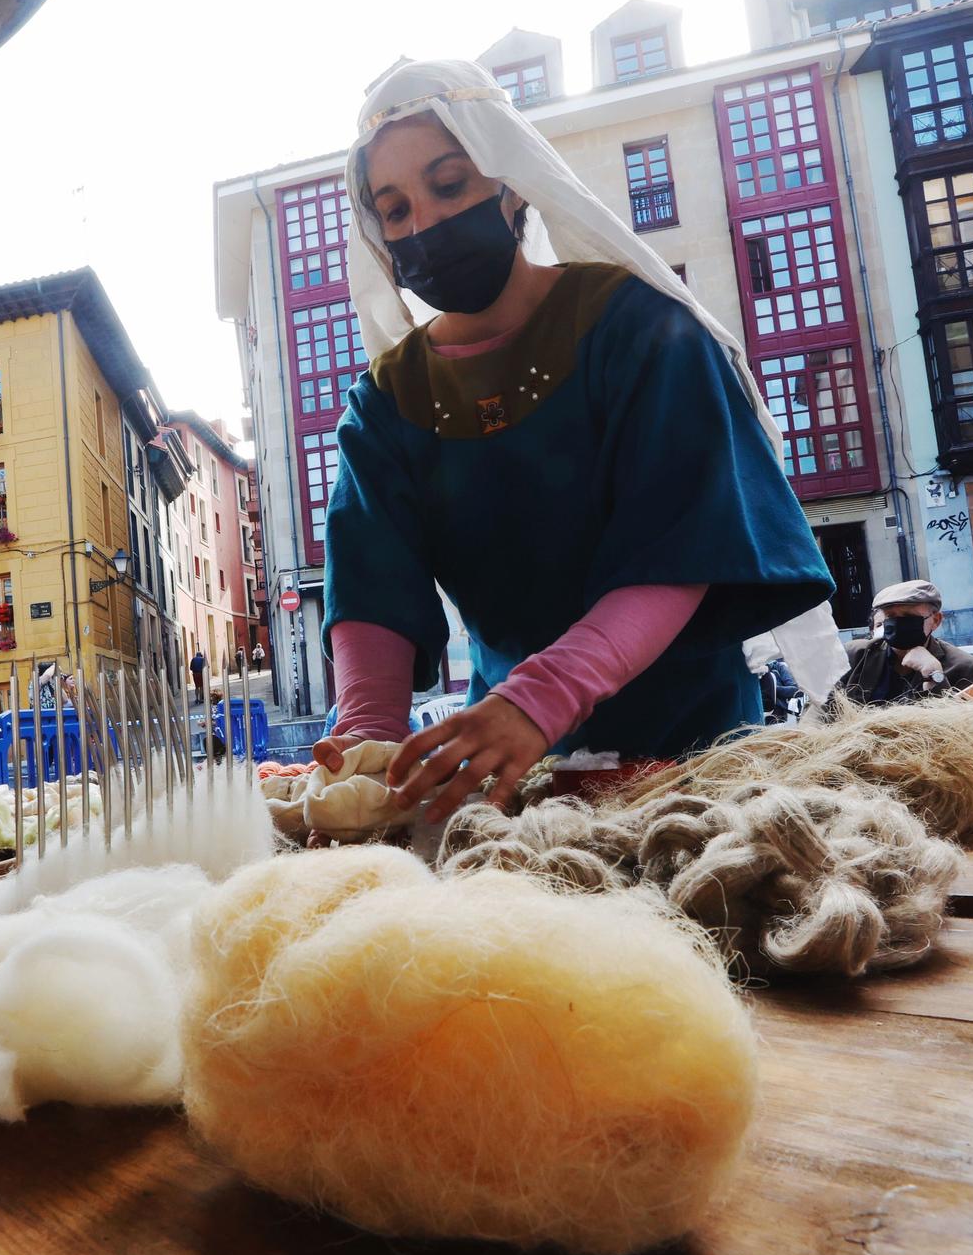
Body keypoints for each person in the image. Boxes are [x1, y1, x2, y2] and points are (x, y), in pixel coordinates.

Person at [312, 60, 840, 823]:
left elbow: (680, 546)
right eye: (394, 210)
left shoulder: (640, 331)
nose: (423, 223)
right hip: (508, 777)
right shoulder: (387, 401)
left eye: (450, 185)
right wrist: (364, 738)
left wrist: (541, 697)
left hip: (692, 763)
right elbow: (372, 592)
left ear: (511, 181)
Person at [838, 580, 973, 705]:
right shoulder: (856, 655)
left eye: (909, 617)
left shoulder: (963, 666)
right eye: (891, 616)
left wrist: (934, 675)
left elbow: (958, 726)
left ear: (935, 620)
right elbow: (826, 713)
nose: (899, 623)